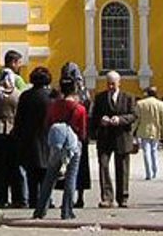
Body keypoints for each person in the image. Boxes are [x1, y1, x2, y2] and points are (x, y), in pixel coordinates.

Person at [36, 77, 87, 220]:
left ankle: (40, 210)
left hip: (56, 144)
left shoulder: (53, 106)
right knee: (71, 177)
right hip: (72, 144)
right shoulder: (79, 108)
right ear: (75, 90)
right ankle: (67, 211)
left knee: (50, 177)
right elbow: (82, 131)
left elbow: (47, 124)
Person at [90, 70, 136, 207]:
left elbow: (134, 115)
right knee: (103, 166)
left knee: (122, 168)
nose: (110, 87)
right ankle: (107, 197)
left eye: (113, 84)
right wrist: (101, 120)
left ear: (119, 83)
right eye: (108, 84)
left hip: (122, 136)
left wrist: (120, 119)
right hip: (105, 137)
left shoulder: (128, 97)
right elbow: (94, 116)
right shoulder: (100, 97)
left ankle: (123, 197)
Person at [13, 66, 54, 206]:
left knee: (31, 174)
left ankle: (33, 200)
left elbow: (18, 119)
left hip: (29, 140)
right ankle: (46, 201)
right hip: (47, 139)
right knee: (46, 174)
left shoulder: (25, 96)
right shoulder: (51, 96)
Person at [0, 68, 25, 207]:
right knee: (15, 167)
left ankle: (0, 198)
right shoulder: (18, 94)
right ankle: (18, 198)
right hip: (14, 131)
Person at [60, 63, 92, 207]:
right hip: (79, 133)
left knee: (66, 166)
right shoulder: (84, 92)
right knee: (78, 166)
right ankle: (77, 196)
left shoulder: (63, 91)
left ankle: (72, 197)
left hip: (67, 133)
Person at [134, 85, 163, 181]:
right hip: (156, 130)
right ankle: (155, 172)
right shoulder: (160, 104)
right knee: (154, 151)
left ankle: (148, 173)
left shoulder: (140, 103)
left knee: (146, 152)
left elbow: (137, 119)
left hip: (143, 130)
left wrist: (132, 130)